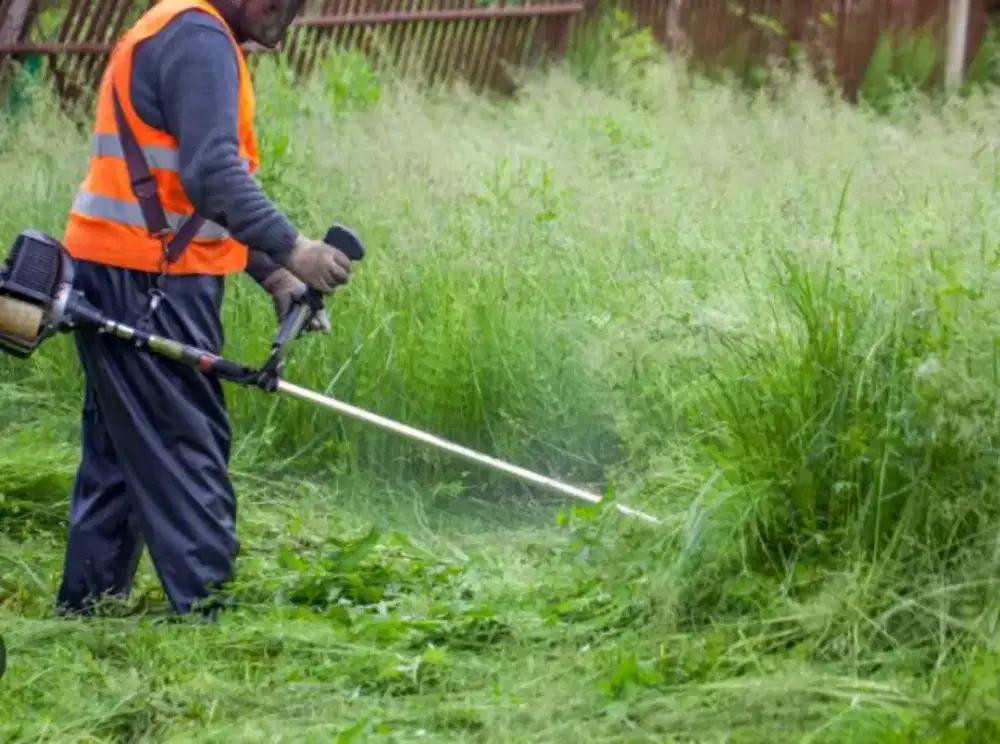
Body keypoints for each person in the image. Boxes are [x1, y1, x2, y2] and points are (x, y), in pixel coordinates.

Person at [54, 0, 351, 617]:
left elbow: (188, 194)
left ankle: (88, 607)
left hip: (126, 268)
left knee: (121, 450)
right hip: (148, 277)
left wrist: (272, 277)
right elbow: (210, 174)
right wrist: (294, 249)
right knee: (183, 443)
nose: (289, 14)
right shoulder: (198, 39)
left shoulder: (185, 29)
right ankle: (208, 612)